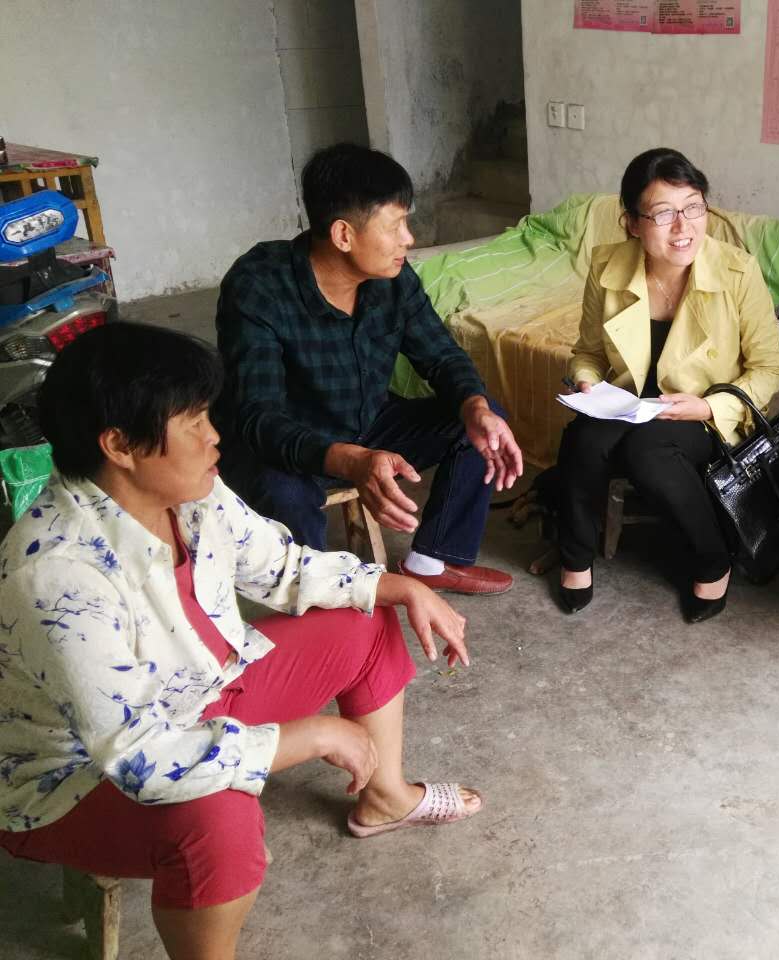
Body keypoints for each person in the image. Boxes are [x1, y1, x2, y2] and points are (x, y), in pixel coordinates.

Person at [0, 323, 483, 959]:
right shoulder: (56, 573)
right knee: (219, 823)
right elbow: (141, 756)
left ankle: (386, 799)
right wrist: (310, 735)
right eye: (193, 422)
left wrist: (399, 585)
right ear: (119, 445)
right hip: (79, 779)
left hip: (204, 689)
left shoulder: (189, 493)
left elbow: (281, 567)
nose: (214, 437)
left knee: (364, 618)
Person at [215, 143, 522, 596]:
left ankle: (430, 562)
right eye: (395, 226)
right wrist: (350, 459)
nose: (408, 239)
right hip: (283, 445)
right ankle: (320, 601)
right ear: (343, 234)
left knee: (480, 421)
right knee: (287, 496)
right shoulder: (259, 285)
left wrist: (475, 406)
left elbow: (441, 357)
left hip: (366, 422)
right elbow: (259, 417)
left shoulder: (393, 280)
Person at [557, 148, 779, 622]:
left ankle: (713, 559)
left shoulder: (738, 271)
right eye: (663, 213)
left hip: (706, 414)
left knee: (650, 450)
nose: (683, 227)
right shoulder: (607, 266)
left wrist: (708, 407)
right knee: (583, 437)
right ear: (632, 223)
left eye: (694, 207)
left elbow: (769, 368)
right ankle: (575, 557)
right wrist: (586, 381)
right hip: (629, 403)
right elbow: (588, 352)